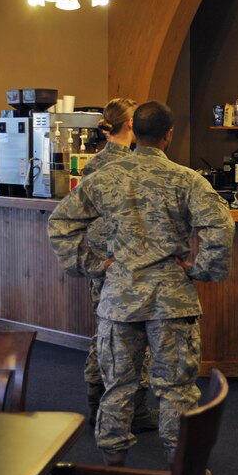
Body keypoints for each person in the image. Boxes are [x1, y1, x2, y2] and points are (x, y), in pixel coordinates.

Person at [48, 101, 234, 475]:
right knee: (176, 388)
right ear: (169, 135)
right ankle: (182, 468)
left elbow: (61, 223)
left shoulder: (105, 177)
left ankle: (111, 474)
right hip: (173, 300)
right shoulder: (186, 179)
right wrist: (202, 269)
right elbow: (220, 224)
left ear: (134, 131)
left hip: (119, 299)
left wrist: (93, 264)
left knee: (118, 386)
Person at [80, 98, 158, 433]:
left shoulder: (92, 164)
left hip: (100, 264)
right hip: (131, 264)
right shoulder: (135, 165)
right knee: (135, 336)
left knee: (104, 331)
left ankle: (97, 399)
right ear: (130, 124)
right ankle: (135, 410)